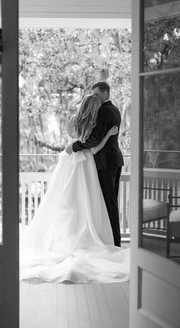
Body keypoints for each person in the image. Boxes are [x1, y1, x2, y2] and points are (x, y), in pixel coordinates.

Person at [20, 94, 129, 283]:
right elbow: (93, 149)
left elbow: (71, 138)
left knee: (68, 198)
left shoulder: (74, 121)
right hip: (86, 162)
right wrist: (109, 136)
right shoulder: (94, 122)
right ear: (94, 107)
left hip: (70, 160)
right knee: (86, 198)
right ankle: (89, 233)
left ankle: (64, 236)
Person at [66, 81, 123, 247]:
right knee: (109, 202)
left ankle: (113, 241)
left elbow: (95, 139)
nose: (95, 98)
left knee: (108, 202)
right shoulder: (113, 109)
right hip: (112, 160)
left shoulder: (104, 111)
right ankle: (112, 239)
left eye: (97, 94)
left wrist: (75, 146)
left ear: (106, 93)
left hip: (106, 162)